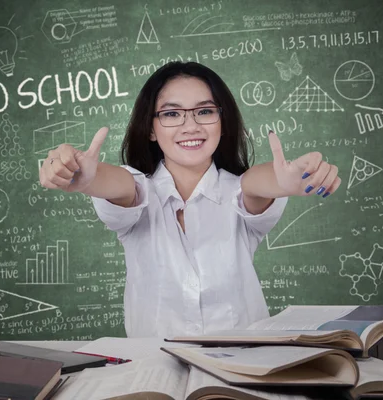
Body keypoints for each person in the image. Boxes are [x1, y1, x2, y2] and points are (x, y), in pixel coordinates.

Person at [39, 62, 341, 338]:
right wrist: (88, 180)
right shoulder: (137, 189)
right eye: (171, 114)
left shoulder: (237, 190)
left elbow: (253, 184)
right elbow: (119, 183)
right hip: (155, 371)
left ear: (222, 122)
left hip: (243, 371)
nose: (191, 126)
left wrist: (285, 182)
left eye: (205, 111)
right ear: (152, 129)